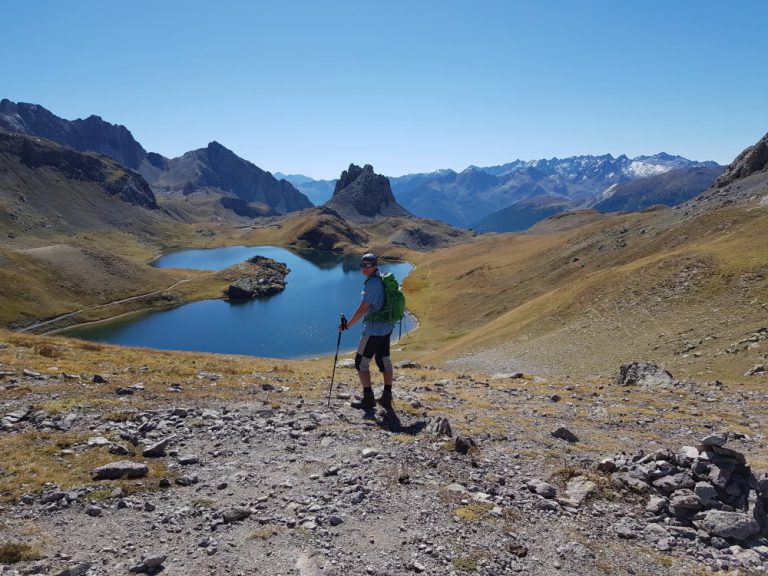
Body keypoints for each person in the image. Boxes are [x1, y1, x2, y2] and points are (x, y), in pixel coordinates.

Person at [339, 253, 395, 410]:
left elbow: (362, 309)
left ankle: (368, 399)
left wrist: (348, 326)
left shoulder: (372, 284)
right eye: (362, 265)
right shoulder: (382, 279)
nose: (364, 268)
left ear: (375, 266)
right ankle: (386, 396)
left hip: (373, 330)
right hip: (386, 328)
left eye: (368, 265)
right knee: (384, 359)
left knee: (361, 363)